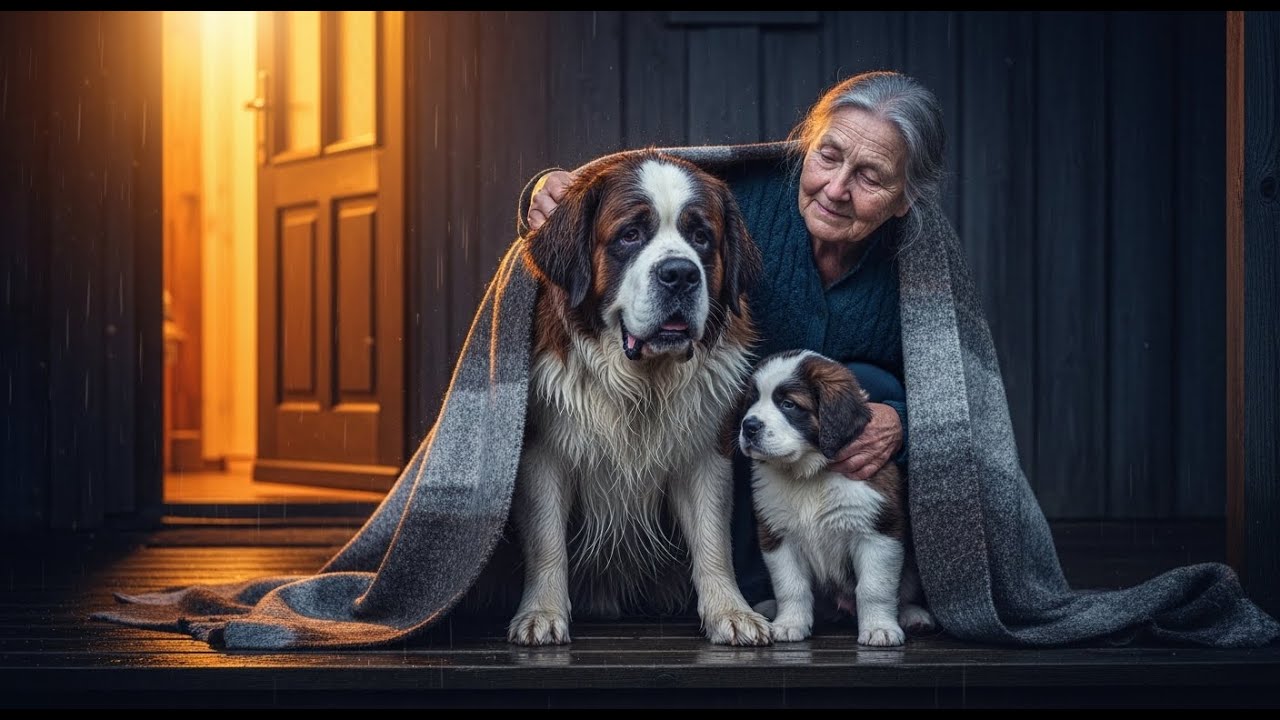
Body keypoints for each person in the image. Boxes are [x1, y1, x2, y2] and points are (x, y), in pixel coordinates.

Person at [520, 70, 941, 606]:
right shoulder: (745, 198)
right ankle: (762, 585)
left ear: (905, 198)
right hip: (749, 478)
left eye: (870, 177)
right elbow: (618, 194)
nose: (837, 189)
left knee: (872, 384)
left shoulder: (921, 261)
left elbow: (954, 395)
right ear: (803, 149)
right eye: (828, 157)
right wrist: (545, 190)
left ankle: (866, 592)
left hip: (843, 478)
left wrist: (899, 420)